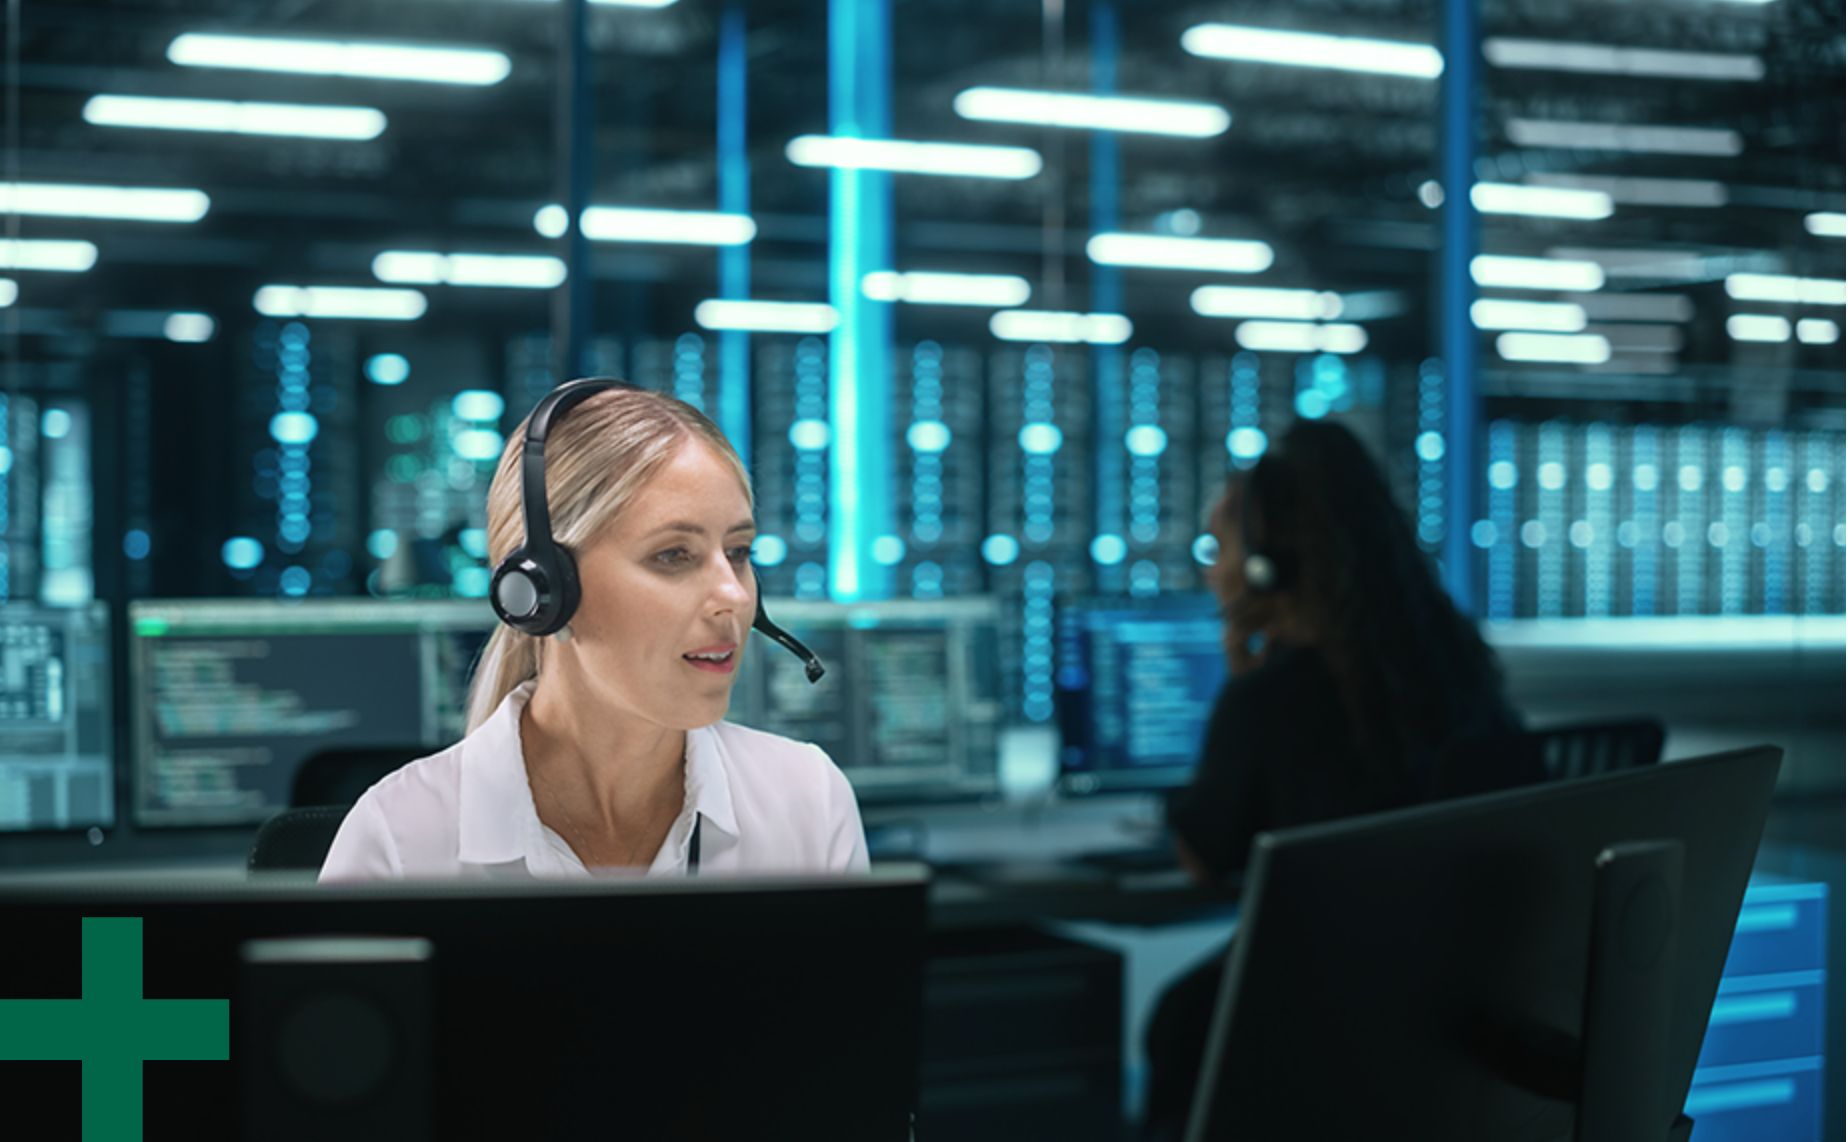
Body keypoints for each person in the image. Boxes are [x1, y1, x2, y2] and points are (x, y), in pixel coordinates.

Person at [1140, 418, 1520, 1140]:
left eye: (1218, 546)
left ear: (1267, 567)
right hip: (1462, 1032)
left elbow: (1206, 858)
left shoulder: (1273, 699)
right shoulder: (1457, 673)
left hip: (1319, 1035)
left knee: (1183, 1017)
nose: (1210, 570)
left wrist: (1242, 687)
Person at [321, 381, 869, 880]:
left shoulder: (807, 802)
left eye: (738, 552)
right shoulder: (400, 839)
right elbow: (240, 998)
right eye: (674, 555)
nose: (734, 596)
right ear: (543, 591)